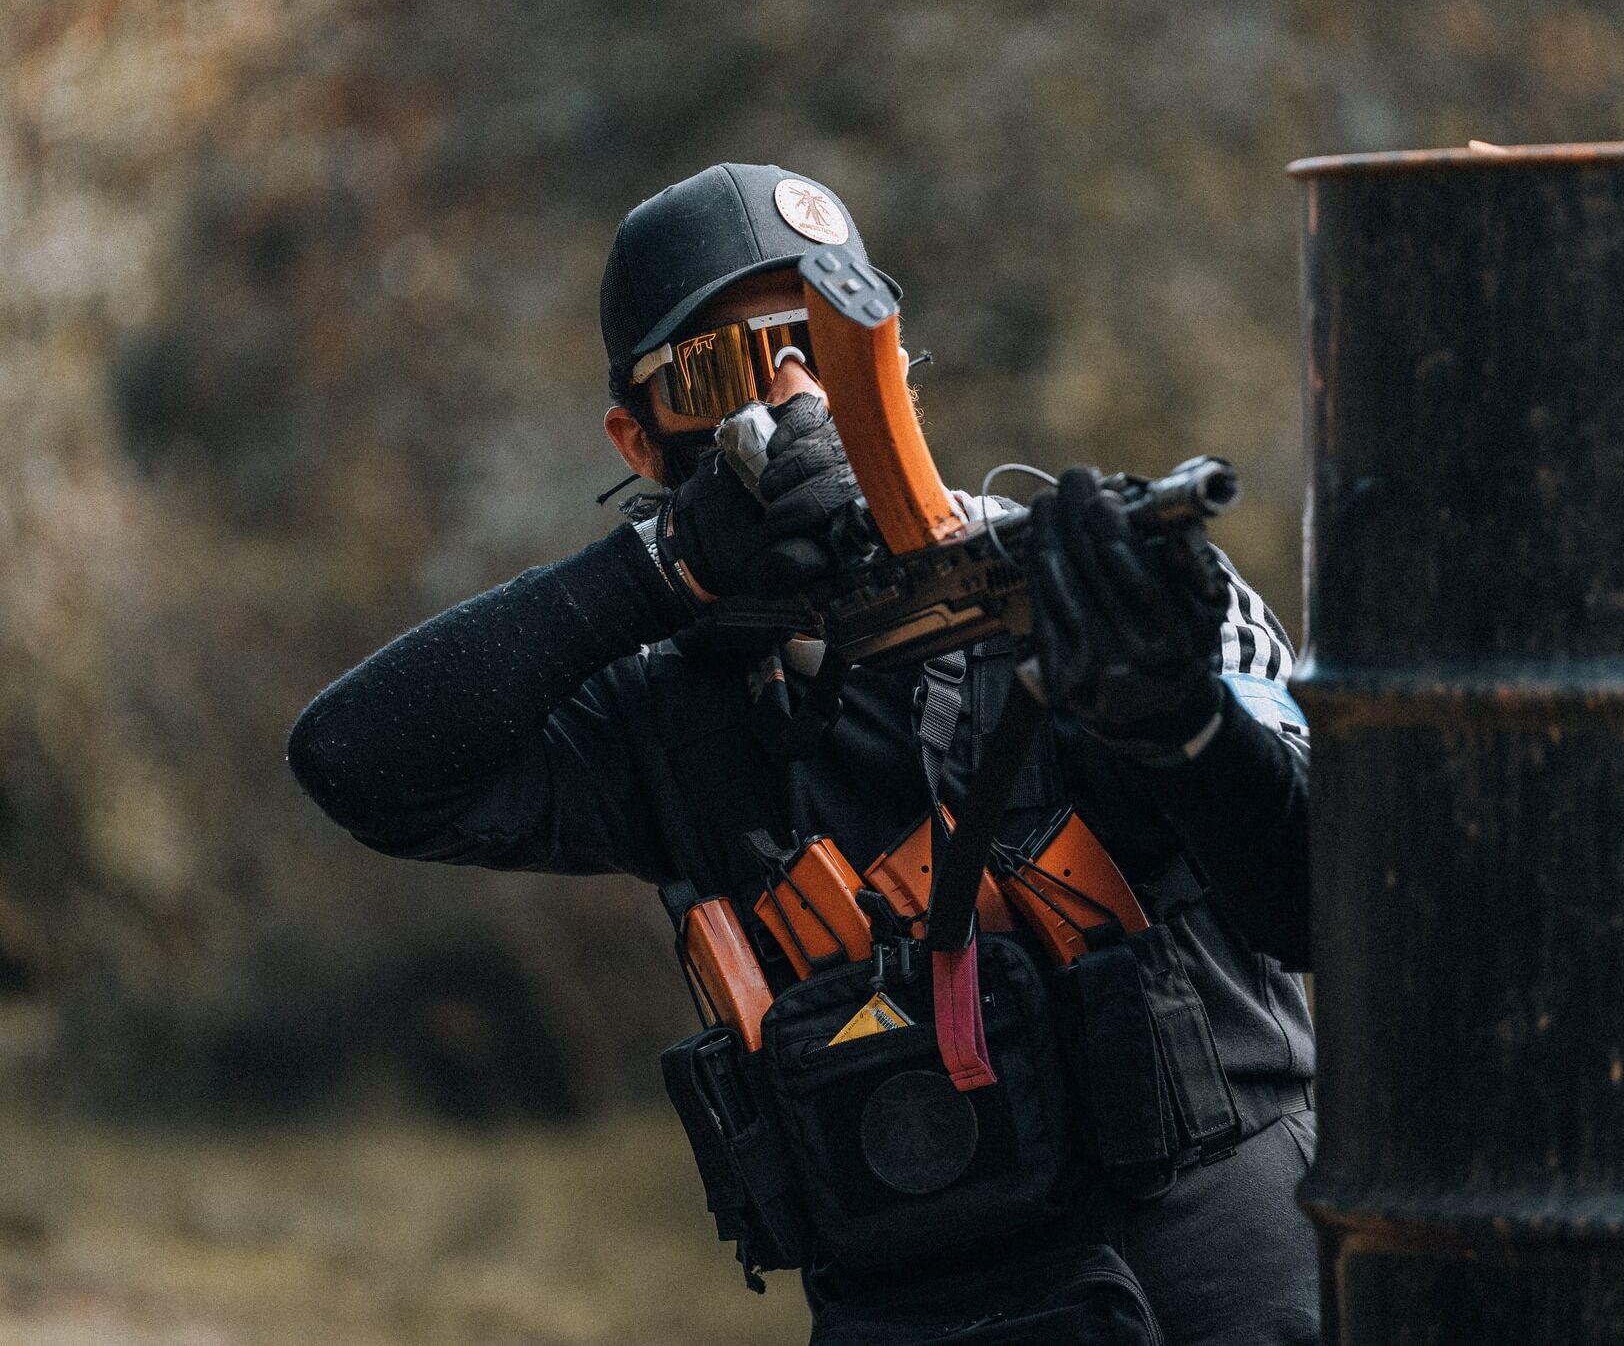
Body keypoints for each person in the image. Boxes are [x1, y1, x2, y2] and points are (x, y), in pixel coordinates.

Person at [288, 162, 1317, 1345]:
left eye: (827, 343)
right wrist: (661, 566)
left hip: (1218, 1294)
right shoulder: (667, 710)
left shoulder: (1094, 589)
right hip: (909, 1313)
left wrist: (1170, 714)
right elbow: (356, 761)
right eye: (727, 372)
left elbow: (1315, 903)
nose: (795, 398)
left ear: (893, 365)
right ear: (639, 435)